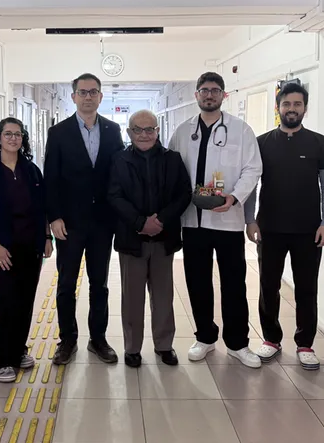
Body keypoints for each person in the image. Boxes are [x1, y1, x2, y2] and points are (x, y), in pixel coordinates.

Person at [169, 72, 263, 367]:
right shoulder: (182, 131)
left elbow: (253, 169)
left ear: (224, 95)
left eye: (215, 90)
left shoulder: (241, 130)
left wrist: (234, 197)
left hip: (227, 220)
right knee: (197, 281)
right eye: (204, 90)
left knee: (234, 283)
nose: (209, 95)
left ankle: (238, 343)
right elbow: (171, 169)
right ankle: (205, 337)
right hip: (192, 221)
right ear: (196, 95)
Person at [244, 82, 324, 370]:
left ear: (305, 108)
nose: (292, 109)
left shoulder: (319, 143)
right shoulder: (261, 143)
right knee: (267, 285)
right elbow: (252, 185)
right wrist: (250, 219)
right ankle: (271, 339)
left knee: (306, 288)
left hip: (309, 230)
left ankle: (305, 344)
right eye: (286, 104)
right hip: (269, 228)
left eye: (297, 104)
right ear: (278, 108)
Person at [45, 73, 125, 365]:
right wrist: (54, 217)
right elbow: (51, 178)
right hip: (69, 223)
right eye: (83, 92)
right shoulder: (58, 132)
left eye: (93, 92)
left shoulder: (113, 130)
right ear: (74, 96)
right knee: (66, 284)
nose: (88, 97)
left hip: (103, 222)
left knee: (99, 284)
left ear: (100, 97)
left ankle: (98, 339)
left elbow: (119, 174)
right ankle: (67, 340)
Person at [0, 118, 54, 382]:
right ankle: (4, 359)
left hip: (30, 247)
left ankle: (19, 351)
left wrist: (47, 237)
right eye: (8, 134)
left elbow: (42, 207)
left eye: (18, 134)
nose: (13, 139)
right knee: (5, 301)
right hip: (0, 249)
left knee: (25, 301)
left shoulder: (31, 170)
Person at [108, 110, 192, 368]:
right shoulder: (119, 160)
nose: (144, 134)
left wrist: (160, 221)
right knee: (132, 298)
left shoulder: (172, 159)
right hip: (131, 240)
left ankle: (164, 345)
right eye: (137, 129)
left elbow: (183, 194)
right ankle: (132, 348)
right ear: (129, 132)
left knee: (163, 295)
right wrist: (140, 223)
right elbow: (114, 196)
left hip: (163, 239)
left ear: (157, 131)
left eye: (149, 129)